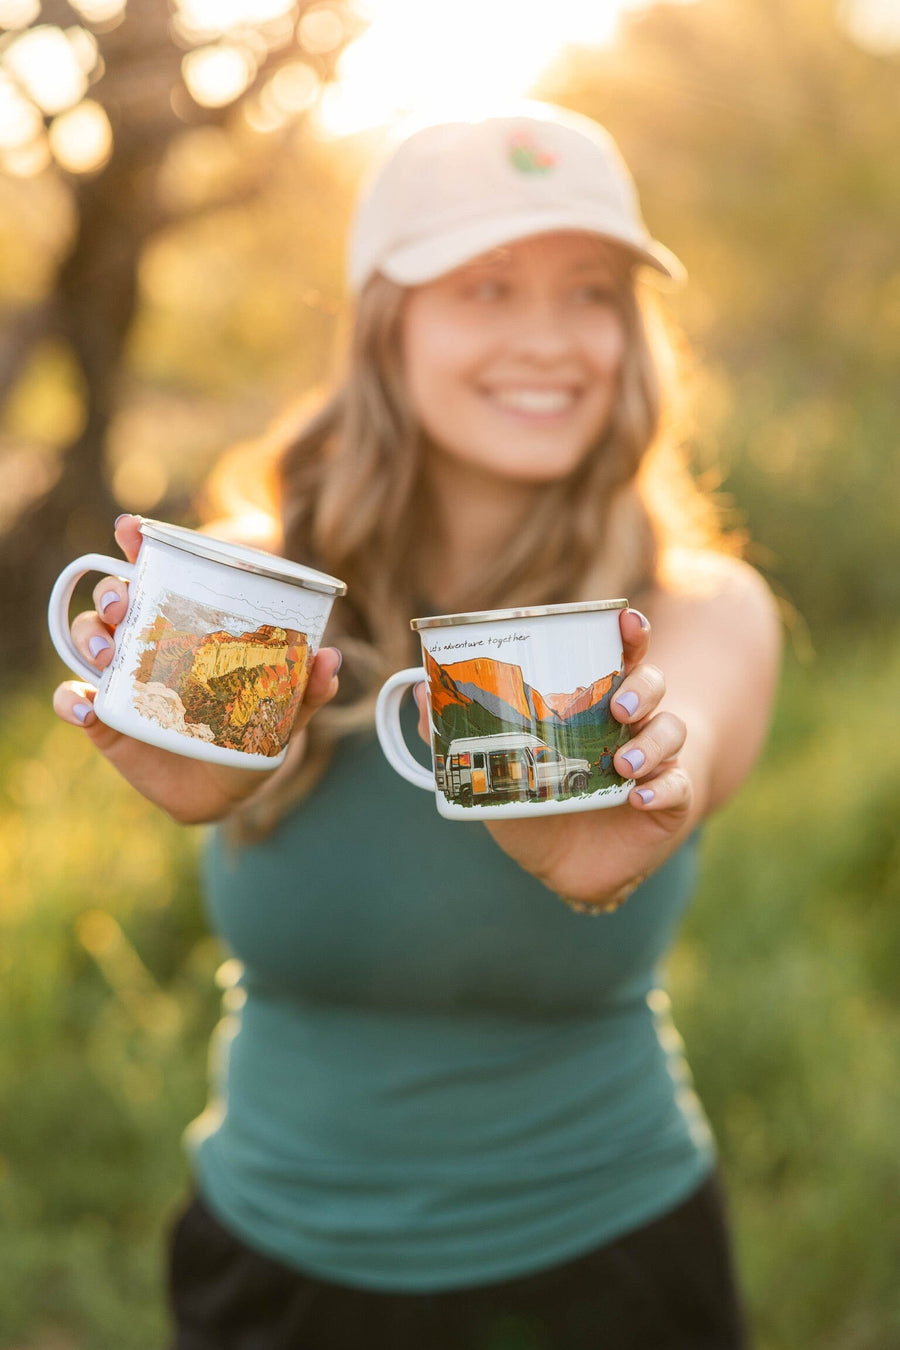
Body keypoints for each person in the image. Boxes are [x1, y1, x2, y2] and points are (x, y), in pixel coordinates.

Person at [52, 102, 781, 1349]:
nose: (553, 340)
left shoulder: (695, 607)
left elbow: (694, 736)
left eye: (593, 291)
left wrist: (643, 787)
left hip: (610, 1269)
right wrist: (186, 742)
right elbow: (184, 672)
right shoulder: (254, 594)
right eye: (487, 287)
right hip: (276, 1271)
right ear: (388, 326)